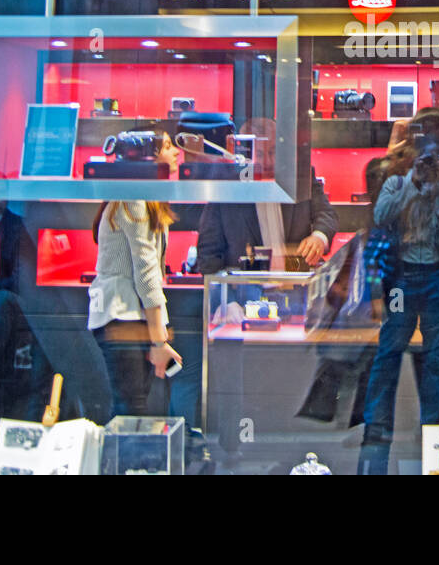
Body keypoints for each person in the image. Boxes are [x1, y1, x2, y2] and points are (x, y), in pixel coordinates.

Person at [358, 133, 439, 474]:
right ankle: (377, 432)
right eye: (425, 159)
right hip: (402, 281)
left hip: (436, 279)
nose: (429, 166)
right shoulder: (396, 183)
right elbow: (381, 214)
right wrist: (414, 181)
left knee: (438, 358)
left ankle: (435, 435)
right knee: (389, 353)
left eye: (436, 160)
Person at [87, 134, 185, 418]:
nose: (176, 152)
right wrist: (158, 341)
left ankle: (134, 461)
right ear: (148, 158)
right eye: (167, 147)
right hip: (121, 315)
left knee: (134, 408)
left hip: (130, 316)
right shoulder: (133, 200)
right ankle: (127, 462)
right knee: (131, 410)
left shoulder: (143, 199)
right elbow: (146, 273)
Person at [195, 117, 339, 274]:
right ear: (245, 153)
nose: (268, 162)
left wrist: (319, 237)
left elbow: (327, 214)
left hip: (295, 277)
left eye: (273, 152)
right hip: (245, 289)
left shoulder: (300, 176)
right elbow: (208, 252)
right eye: (260, 154)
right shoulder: (227, 185)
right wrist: (225, 290)